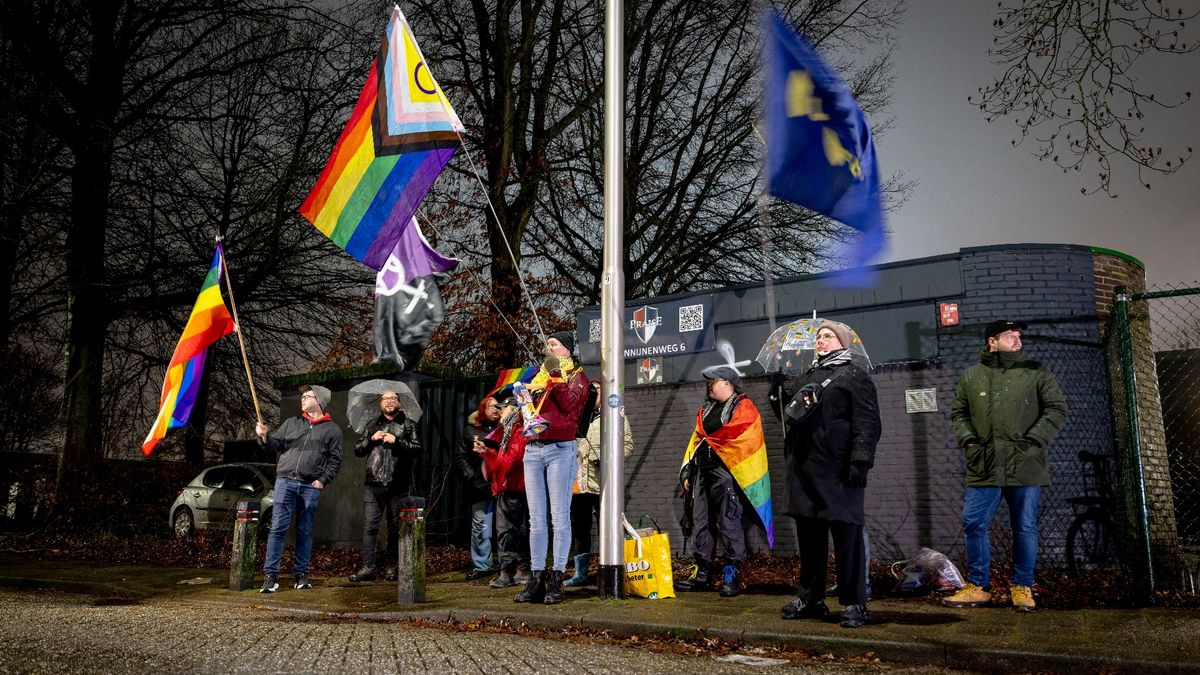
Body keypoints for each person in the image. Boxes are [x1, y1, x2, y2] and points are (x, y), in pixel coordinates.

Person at [943, 320, 1067, 613]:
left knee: (1024, 526)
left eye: (1018, 335)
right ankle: (978, 586)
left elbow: (1057, 408)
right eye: (1010, 336)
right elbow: (959, 412)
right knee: (974, 523)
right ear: (991, 341)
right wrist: (970, 441)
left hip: (1025, 463)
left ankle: (1022, 587)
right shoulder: (972, 376)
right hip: (984, 464)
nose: (1017, 340)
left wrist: (1035, 440)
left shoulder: (1036, 371)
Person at [771, 320, 880, 628]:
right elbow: (790, 416)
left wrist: (860, 462)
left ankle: (855, 601)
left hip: (839, 468)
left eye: (828, 336)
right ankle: (810, 598)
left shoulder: (854, 376)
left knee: (847, 537)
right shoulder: (806, 375)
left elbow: (867, 423)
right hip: (805, 469)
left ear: (843, 343)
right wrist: (776, 391)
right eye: (819, 337)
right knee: (810, 537)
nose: (821, 341)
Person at [677, 365, 774, 598]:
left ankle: (732, 575)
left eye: (714, 381)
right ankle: (703, 574)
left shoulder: (744, 408)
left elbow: (744, 439)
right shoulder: (706, 409)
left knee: (729, 523)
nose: (709, 385)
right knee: (702, 523)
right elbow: (698, 442)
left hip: (728, 474)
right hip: (703, 472)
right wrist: (688, 472)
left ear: (728, 383)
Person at [514, 331, 590, 605]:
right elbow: (532, 413)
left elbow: (571, 406)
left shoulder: (576, 377)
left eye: (554, 345)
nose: (549, 349)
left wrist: (556, 377)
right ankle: (536, 578)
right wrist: (523, 399)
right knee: (536, 520)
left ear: (567, 350)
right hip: (533, 449)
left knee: (559, 517)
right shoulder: (538, 378)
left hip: (560, 449)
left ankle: (556, 578)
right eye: (547, 346)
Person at [256, 385, 343, 593]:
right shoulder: (291, 423)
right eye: (301, 396)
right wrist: (264, 436)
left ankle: (301, 575)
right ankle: (270, 576)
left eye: (307, 396)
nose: (302, 399)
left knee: (304, 531)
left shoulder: (332, 430)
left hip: (309, 486)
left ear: (320, 400)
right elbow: (274, 446)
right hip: (285, 482)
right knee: (277, 529)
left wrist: (323, 480)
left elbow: (335, 459)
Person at [564, 381, 634, 588]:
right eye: (590, 390)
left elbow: (628, 445)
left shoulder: (614, 415)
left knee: (607, 526)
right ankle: (580, 573)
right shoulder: (576, 416)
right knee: (580, 529)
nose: (593, 393)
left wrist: (609, 460)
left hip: (603, 482)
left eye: (597, 389)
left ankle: (609, 570)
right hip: (579, 484)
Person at [349, 390, 420, 583]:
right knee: (370, 526)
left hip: (398, 483)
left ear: (399, 402)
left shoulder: (408, 424)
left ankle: (391, 567)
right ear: (380, 404)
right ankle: (368, 567)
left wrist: (396, 441)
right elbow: (357, 450)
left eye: (393, 398)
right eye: (385, 399)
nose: (389, 401)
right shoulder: (372, 425)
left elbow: (417, 449)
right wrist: (370, 440)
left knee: (394, 527)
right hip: (374, 483)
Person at [479, 397, 531, 588]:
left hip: (512, 487)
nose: (501, 412)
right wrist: (486, 451)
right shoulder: (509, 432)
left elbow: (510, 462)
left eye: (505, 408)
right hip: (509, 487)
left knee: (507, 532)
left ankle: (508, 572)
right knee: (514, 531)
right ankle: (521, 570)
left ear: (515, 410)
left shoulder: (517, 431)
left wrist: (489, 453)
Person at [454, 396, 501, 580]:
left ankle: (507, 564)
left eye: (499, 406)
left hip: (502, 484)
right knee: (481, 526)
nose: (497, 409)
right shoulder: (471, 430)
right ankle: (482, 565)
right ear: (483, 409)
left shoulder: (505, 428)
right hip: (479, 486)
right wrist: (471, 477)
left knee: (505, 526)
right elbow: (460, 456)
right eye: (492, 406)